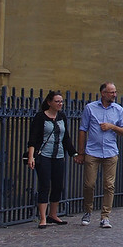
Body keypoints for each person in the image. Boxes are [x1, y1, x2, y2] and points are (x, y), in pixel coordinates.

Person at [76, 82, 123, 229]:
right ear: (103, 93)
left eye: (115, 92)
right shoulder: (90, 108)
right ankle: (87, 211)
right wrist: (80, 152)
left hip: (111, 152)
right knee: (89, 184)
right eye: (111, 92)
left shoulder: (118, 110)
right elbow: (82, 129)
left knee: (109, 185)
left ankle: (105, 216)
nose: (114, 95)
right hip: (92, 151)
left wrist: (112, 126)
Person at [27, 90, 79, 228]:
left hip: (59, 155)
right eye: (57, 101)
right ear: (49, 102)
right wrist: (31, 156)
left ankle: (53, 214)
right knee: (44, 185)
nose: (60, 104)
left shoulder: (62, 117)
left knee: (58, 186)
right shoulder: (40, 117)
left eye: (61, 101)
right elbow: (33, 138)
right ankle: (42, 217)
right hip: (44, 155)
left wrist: (74, 153)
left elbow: (66, 137)